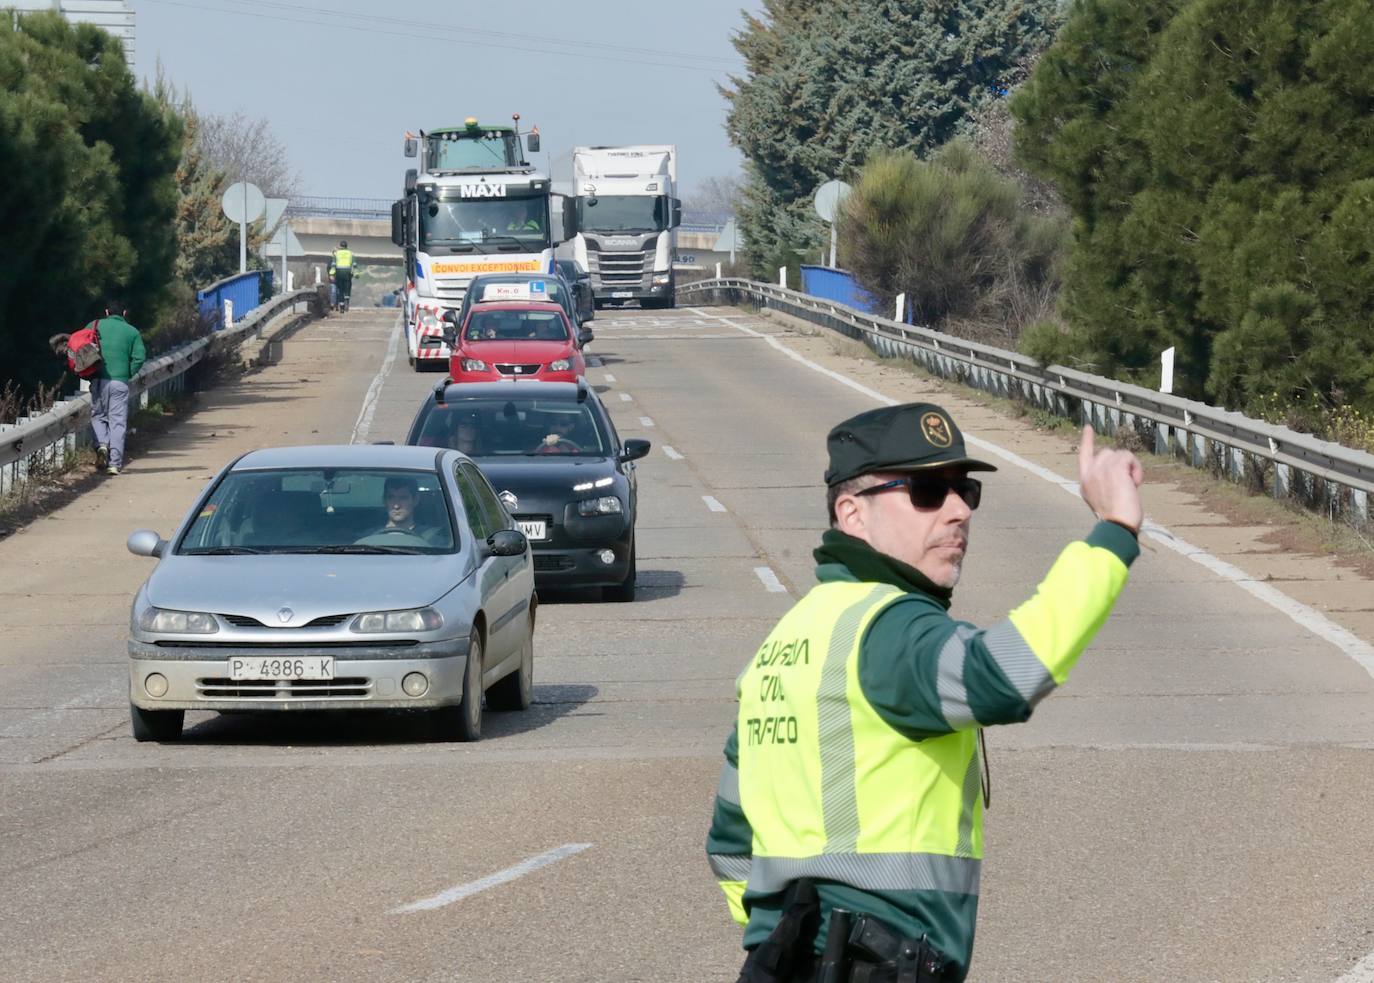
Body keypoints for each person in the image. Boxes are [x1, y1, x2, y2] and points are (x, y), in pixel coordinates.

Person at [706, 402, 1144, 983]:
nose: (959, 509)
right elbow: (1006, 676)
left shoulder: (785, 644)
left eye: (964, 490)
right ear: (852, 513)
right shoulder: (891, 630)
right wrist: (1113, 533)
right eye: (926, 491)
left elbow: (731, 841)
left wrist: (782, 937)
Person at [82, 300, 145, 477]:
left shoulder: (94, 326)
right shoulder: (132, 332)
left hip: (98, 379)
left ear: (107, 312)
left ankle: (102, 445)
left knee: (98, 415)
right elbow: (139, 358)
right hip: (120, 382)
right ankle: (114, 464)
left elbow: (80, 347)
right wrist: (126, 373)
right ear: (124, 313)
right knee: (117, 422)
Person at [330, 240, 354, 311]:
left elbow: (333, 265)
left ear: (340, 246)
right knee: (347, 289)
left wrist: (331, 274)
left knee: (340, 290)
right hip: (347, 274)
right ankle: (346, 302)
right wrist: (355, 273)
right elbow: (354, 265)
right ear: (346, 246)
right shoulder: (350, 253)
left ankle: (342, 307)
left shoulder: (337, 254)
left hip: (339, 273)